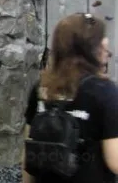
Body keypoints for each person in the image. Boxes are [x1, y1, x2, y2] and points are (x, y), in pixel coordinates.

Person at [22, 13, 118, 183]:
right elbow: (115, 162)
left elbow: (29, 153)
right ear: (93, 50)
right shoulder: (105, 92)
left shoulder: (40, 89)